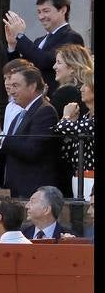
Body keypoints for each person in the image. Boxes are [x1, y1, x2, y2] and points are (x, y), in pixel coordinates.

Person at [0, 66, 62, 200]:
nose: (12, 92)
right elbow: (10, 152)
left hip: (33, 191)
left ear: (32, 86)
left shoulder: (45, 112)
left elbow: (32, 151)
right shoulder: (21, 114)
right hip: (17, 190)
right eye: (10, 86)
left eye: (16, 86)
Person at [3, 0, 84, 96]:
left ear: (63, 10)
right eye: (39, 12)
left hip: (55, 99)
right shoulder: (39, 41)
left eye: (46, 11)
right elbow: (21, 71)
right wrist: (12, 45)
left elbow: (45, 61)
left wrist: (20, 36)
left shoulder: (72, 37)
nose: (41, 17)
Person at [55, 69, 95, 200]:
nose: (81, 89)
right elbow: (68, 150)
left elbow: (61, 126)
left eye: (86, 85)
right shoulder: (85, 117)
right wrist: (72, 123)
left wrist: (66, 116)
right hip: (79, 176)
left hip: (92, 178)